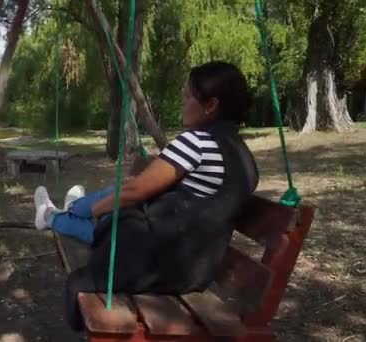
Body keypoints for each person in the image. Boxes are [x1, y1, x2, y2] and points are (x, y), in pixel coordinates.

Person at [34, 61, 260, 331]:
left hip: (163, 266)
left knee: (114, 215)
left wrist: (97, 212)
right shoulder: (245, 157)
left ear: (210, 106)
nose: (182, 101)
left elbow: (134, 191)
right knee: (119, 211)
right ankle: (60, 213)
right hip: (197, 269)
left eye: (187, 96)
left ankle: (59, 214)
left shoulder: (198, 142)